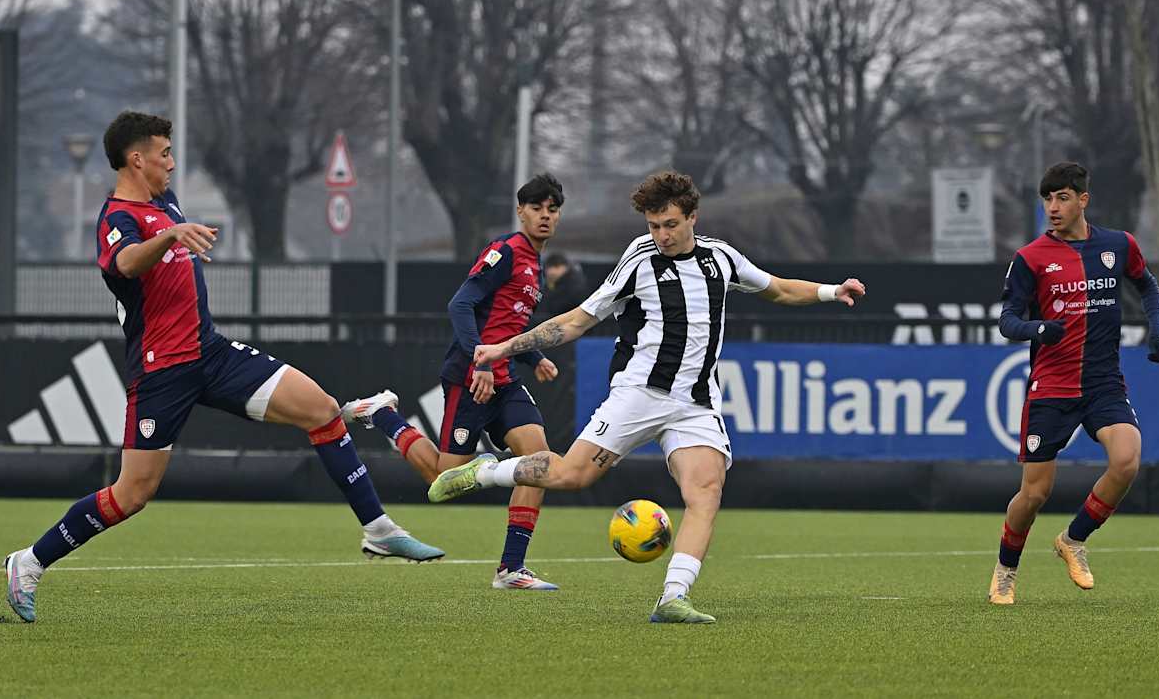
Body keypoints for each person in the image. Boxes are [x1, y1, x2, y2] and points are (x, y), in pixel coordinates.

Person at [2, 112, 442, 624]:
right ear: (136, 158)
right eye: (164, 152)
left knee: (321, 410)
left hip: (211, 354)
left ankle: (379, 530)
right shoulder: (116, 219)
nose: (172, 161)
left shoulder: (164, 202)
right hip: (161, 370)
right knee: (132, 494)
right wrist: (168, 238)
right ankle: (29, 563)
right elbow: (123, 265)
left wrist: (174, 229)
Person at [427, 170, 866, 623]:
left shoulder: (721, 259)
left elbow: (777, 289)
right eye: (654, 226)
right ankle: (486, 473)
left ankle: (673, 597)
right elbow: (577, 320)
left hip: (695, 404)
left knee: (706, 490)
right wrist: (506, 347)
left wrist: (833, 291)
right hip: (638, 394)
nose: (661, 235)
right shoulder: (638, 258)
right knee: (572, 476)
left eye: (670, 225)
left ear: (693, 217)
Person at [342, 173, 565, 590]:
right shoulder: (505, 252)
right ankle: (384, 415)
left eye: (552, 210)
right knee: (442, 482)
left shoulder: (536, 263)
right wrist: (480, 362)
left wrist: (533, 356)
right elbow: (461, 303)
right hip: (471, 376)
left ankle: (510, 570)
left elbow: (507, 321)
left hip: (505, 379)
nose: (544, 217)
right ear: (521, 211)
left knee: (541, 462)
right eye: (536, 208)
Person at [987, 161, 1159, 606]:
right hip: (1051, 387)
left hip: (1104, 382)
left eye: (1062, 197)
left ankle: (1073, 540)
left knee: (1126, 461)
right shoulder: (1030, 258)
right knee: (1035, 493)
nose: (1053, 207)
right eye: (1047, 198)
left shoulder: (1118, 245)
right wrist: (1038, 330)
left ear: (1083, 200)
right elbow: (1007, 321)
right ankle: (1005, 570)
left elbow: (1147, 287)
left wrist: (1158, 330)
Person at [533, 252, 589, 322]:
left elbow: (561, 306)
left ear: (565, 267)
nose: (552, 271)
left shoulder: (574, 284)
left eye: (557, 267)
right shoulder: (543, 281)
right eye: (549, 267)